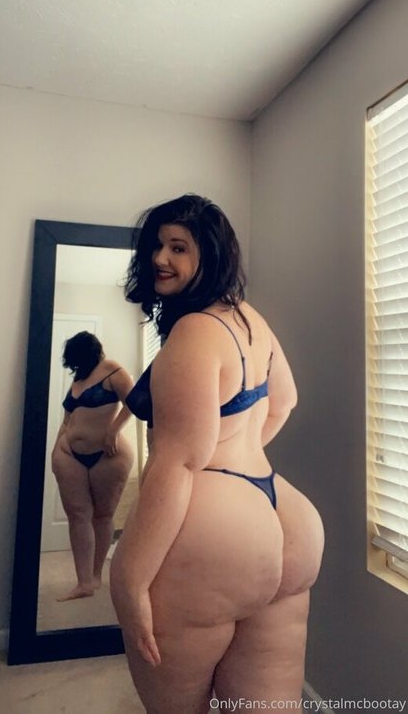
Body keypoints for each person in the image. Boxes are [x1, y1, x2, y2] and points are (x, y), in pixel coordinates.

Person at [110, 194, 325, 714]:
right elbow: (285, 400)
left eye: (178, 247)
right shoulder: (250, 319)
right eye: (156, 245)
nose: (160, 258)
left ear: (212, 253)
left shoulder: (194, 332)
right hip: (287, 517)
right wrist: (236, 456)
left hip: (215, 533)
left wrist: (128, 580)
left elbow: (180, 461)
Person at [51, 331, 134, 601]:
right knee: (78, 515)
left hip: (107, 454)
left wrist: (113, 431)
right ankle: (83, 582)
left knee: (103, 515)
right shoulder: (79, 379)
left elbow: (133, 402)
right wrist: (55, 450)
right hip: (69, 454)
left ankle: (96, 575)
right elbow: (67, 420)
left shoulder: (111, 369)